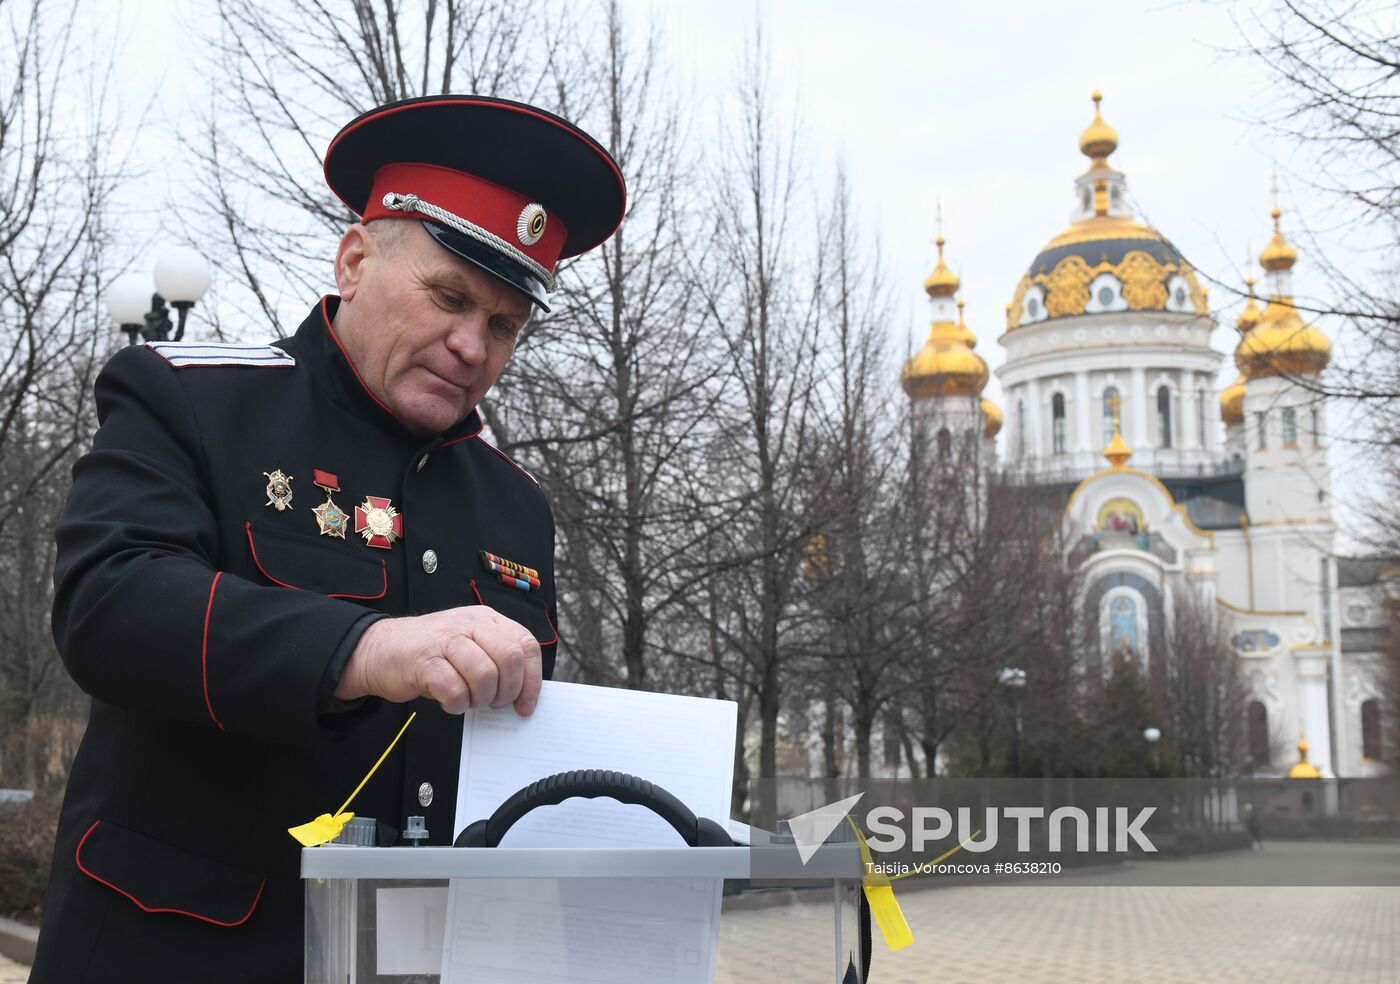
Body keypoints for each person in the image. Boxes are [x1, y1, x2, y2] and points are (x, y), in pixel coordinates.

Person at [30, 95, 626, 983]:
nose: (471, 345)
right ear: (354, 261)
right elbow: (109, 605)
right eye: (448, 297)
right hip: (179, 952)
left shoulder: (515, 506)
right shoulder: (191, 399)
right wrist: (364, 646)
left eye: (503, 325)